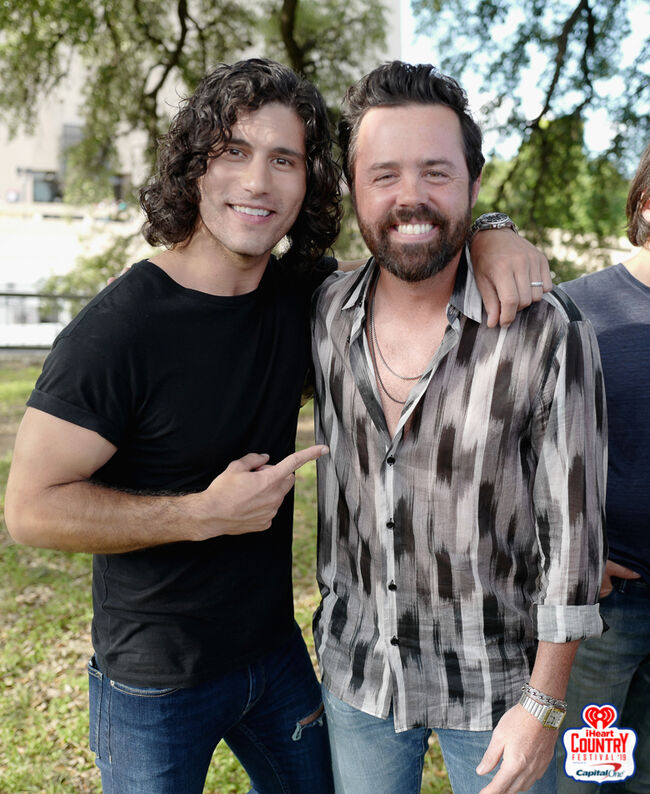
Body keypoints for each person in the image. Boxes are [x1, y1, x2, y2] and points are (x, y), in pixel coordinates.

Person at [5, 57, 551, 794]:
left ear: (310, 181)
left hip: (276, 658)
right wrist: (201, 515)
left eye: (284, 159)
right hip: (153, 679)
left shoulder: (305, 298)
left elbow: (412, 245)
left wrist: (489, 231)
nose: (258, 182)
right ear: (193, 168)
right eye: (233, 151)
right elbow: (31, 510)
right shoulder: (117, 332)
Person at [310, 61, 607, 794]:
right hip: (358, 676)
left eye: (436, 172)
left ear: (474, 186)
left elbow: (574, 539)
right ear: (353, 189)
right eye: (383, 175)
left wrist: (544, 706)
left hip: (498, 689)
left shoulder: (548, 329)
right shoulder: (325, 313)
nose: (409, 196)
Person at [557, 145, 650, 794]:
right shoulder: (576, 309)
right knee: (585, 780)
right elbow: (520, 449)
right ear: (645, 204)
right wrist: (573, 555)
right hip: (607, 607)